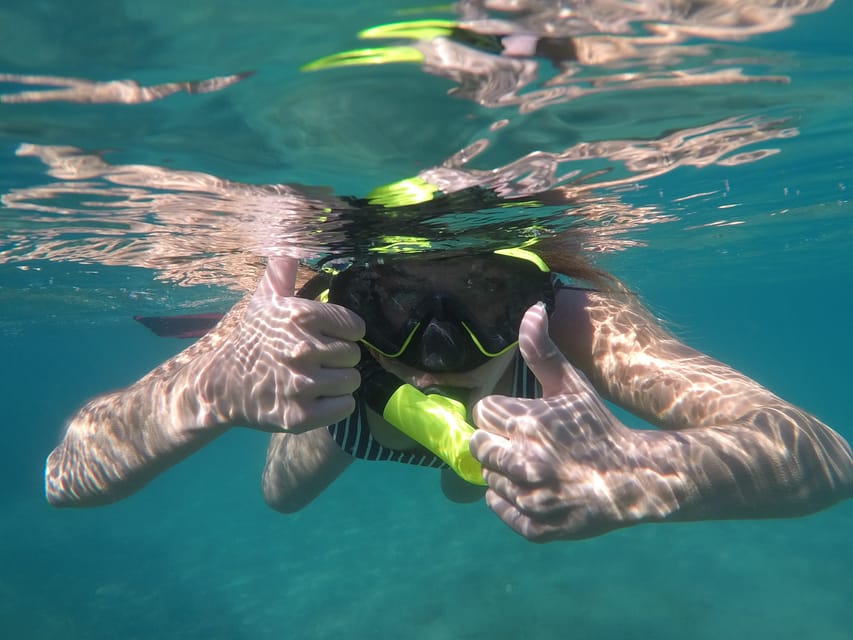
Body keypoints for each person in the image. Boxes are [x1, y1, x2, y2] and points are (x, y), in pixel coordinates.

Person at [44, 231, 853, 542]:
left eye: (485, 301)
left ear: (535, 294)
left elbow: (826, 455)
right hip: (345, 420)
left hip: (517, 434)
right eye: (391, 302)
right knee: (280, 498)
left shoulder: (575, 322)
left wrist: (650, 475)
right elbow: (66, 477)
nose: (434, 350)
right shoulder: (296, 324)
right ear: (350, 294)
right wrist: (215, 390)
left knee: (479, 477)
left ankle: (469, 473)